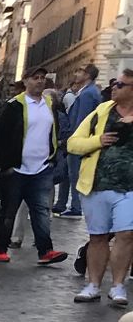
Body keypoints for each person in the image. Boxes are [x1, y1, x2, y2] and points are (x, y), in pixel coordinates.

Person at [66, 71, 133, 307]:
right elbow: (73, 143)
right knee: (97, 237)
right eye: (114, 83)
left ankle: (117, 286)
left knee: (126, 234)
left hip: (129, 188)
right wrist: (98, 140)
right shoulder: (102, 112)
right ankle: (93, 284)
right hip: (97, 184)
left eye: (121, 85)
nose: (114, 87)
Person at [0, 67, 68, 267]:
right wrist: (4, 164)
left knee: (41, 211)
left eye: (43, 78)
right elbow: (1, 135)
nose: (40, 82)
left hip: (42, 167)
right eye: (35, 78)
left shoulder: (49, 104)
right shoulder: (14, 105)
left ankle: (45, 250)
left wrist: (52, 156)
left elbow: (54, 129)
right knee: (9, 211)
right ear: (26, 81)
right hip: (17, 168)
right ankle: (0, 248)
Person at [54, 65, 101, 218]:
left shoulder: (87, 93)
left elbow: (82, 120)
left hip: (77, 139)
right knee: (67, 172)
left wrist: (73, 139)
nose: (76, 74)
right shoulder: (88, 92)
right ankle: (61, 203)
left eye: (79, 72)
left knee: (74, 173)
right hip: (76, 138)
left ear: (87, 75)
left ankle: (75, 206)